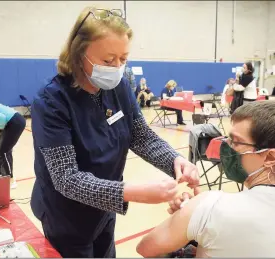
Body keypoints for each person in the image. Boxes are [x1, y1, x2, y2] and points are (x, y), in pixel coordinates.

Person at [30, 7, 199, 258]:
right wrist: (132, 192)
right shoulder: (51, 100)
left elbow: (140, 135)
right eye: (108, 60)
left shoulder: (119, 86)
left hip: (105, 209)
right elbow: (66, 178)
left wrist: (175, 160)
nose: (117, 67)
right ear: (78, 54)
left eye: (123, 59)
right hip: (66, 216)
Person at [137, 101, 275, 258]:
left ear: (271, 157)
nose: (226, 147)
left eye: (236, 142)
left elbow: (146, 248)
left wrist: (190, 216)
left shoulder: (210, 206)